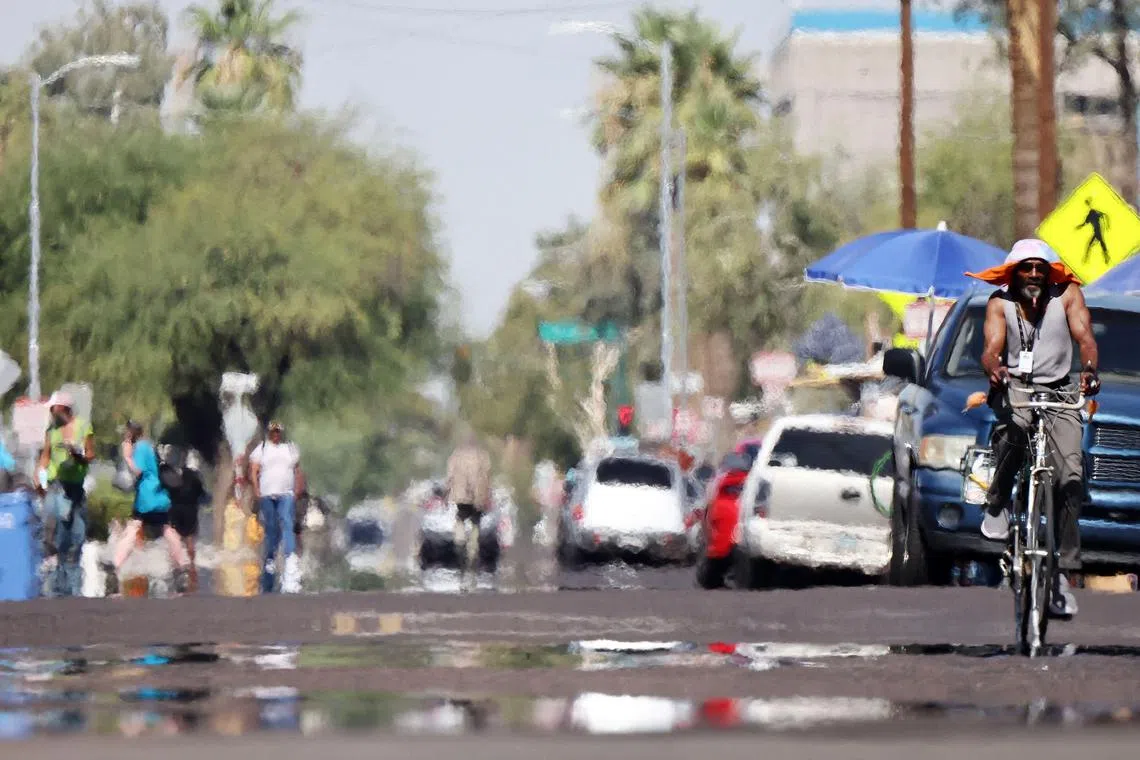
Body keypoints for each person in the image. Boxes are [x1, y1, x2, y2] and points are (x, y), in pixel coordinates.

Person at [966, 238, 1101, 619]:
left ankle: (1060, 576)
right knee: (1014, 428)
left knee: (1071, 474)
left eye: (1041, 268)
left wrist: (1089, 371)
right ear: (1014, 272)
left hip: (1060, 392)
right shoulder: (1000, 303)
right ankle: (996, 505)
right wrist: (994, 368)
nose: (1034, 275)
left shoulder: (1067, 296)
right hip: (1016, 387)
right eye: (1027, 268)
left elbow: (1086, 339)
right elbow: (991, 348)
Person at [112, 422, 192, 594]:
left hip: (147, 498)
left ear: (132, 433)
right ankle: (183, 565)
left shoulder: (140, 447)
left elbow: (138, 471)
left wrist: (127, 457)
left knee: (134, 528)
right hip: (159, 496)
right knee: (167, 529)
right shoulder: (149, 445)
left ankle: (115, 566)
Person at [36, 391, 95, 597]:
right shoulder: (52, 430)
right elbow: (45, 457)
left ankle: (73, 590)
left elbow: (90, 455)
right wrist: (40, 480)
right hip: (56, 486)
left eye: (55, 408)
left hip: (75, 488)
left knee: (75, 537)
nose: (52, 412)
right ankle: (55, 585)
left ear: (64, 408)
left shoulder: (82, 427)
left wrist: (78, 455)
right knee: (52, 532)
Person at [249, 420, 303, 594]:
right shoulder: (262, 448)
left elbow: (297, 470)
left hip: (285, 494)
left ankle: (290, 561)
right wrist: (256, 490)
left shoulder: (290, 449)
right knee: (271, 530)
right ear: (269, 432)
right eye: (273, 431)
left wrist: (297, 491)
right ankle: (269, 567)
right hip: (267, 494)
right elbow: (254, 470)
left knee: (287, 522)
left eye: (278, 431)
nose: (275, 434)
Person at [445, 429, 492, 589]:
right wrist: (486, 496)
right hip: (477, 497)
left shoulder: (456, 455)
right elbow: (487, 475)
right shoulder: (482, 455)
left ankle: (460, 541)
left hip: (461, 496)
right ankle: (472, 551)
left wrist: (446, 493)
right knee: (475, 523)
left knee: (460, 519)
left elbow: (449, 475)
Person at [162, 444, 208, 593]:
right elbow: (202, 494)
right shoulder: (192, 475)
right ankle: (189, 569)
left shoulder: (166, 474)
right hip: (187, 511)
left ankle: (180, 569)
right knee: (188, 542)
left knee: (178, 542)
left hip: (177, 510)